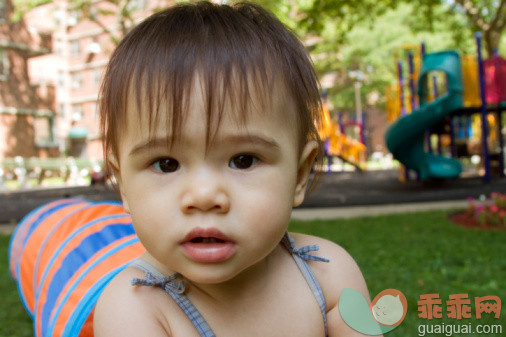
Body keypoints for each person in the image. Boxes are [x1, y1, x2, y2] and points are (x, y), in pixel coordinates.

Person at [94, 1, 372, 336]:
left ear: (299, 175)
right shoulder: (133, 306)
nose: (204, 196)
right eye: (166, 164)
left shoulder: (330, 273)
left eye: (243, 160)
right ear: (123, 183)